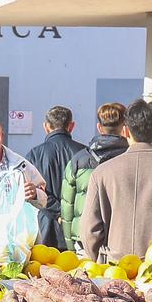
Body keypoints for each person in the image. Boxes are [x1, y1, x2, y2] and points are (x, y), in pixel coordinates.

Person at [80, 99, 152, 262]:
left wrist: (100, 261)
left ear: (125, 131)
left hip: (115, 269)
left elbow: (89, 231)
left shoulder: (102, 172)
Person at [59, 102, 129, 252]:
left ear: (99, 127)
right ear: (125, 128)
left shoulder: (79, 160)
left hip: (83, 240)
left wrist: (70, 245)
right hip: (121, 240)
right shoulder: (131, 160)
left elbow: (67, 206)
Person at [24, 105, 89, 249]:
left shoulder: (35, 154)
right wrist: (65, 214)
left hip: (45, 226)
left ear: (46, 126)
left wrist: (57, 210)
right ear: (71, 126)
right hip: (76, 227)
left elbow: (30, 192)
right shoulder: (85, 153)